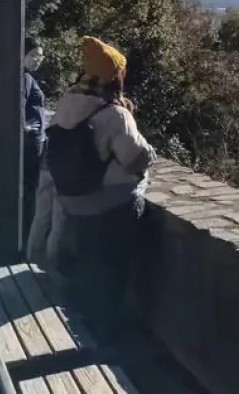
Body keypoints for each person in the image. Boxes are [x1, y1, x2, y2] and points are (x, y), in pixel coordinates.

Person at [45, 36, 156, 335]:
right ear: (115, 77)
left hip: (72, 202)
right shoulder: (115, 114)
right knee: (114, 266)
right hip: (107, 206)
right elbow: (135, 159)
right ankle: (107, 330)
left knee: (87, 262)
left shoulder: (68, 102)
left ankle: (82, 315)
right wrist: (151, 152)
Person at [22, 36, 47, 239]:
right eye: (33, 55)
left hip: (34, 139)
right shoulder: (24, 78)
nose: (38, 59)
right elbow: (18, 104)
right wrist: (24, 126)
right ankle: (27, 232)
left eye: (40, 56)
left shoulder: (26, 77)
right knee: (31, 188)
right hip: (32, 141)